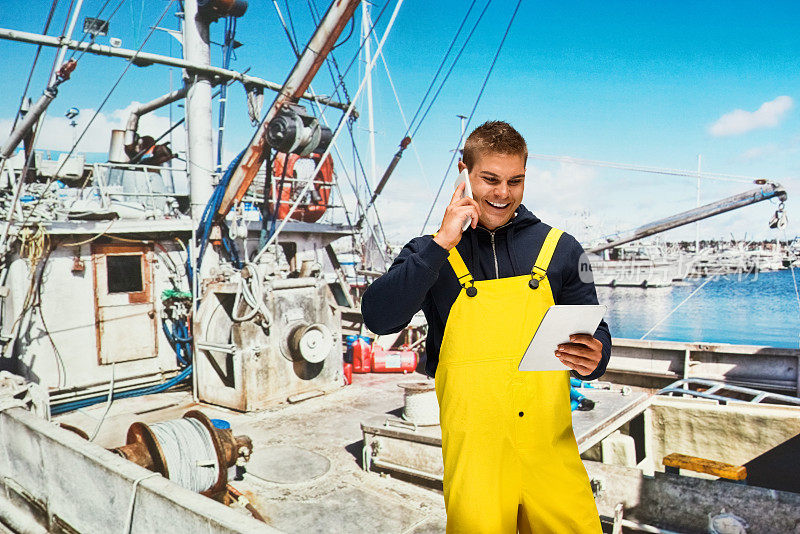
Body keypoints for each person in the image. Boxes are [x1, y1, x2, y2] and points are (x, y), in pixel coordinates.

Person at [362, 120, 610, 533]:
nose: (503, 194)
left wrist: (596, 356)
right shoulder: (430, 252)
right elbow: (379, 316)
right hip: (475, 459)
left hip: (550, 451)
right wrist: (442, 242)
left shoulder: (564, 250)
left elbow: (596, 332)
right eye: (490, 179)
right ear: (464, 172)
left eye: (515, 181)